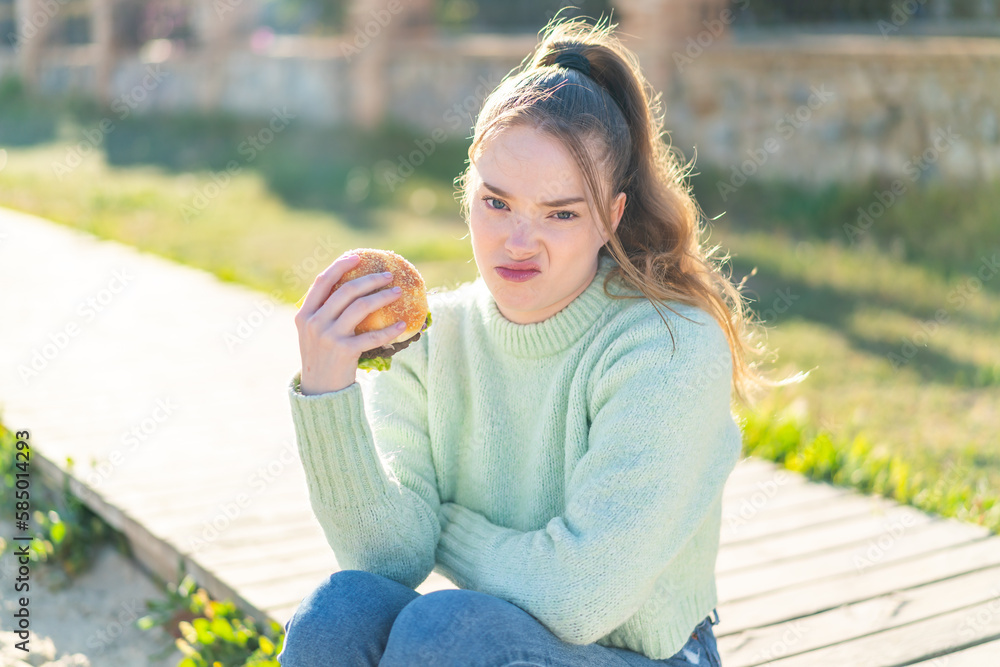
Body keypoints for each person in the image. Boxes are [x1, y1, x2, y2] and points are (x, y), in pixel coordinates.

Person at [280, 14, 792, 667]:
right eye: (497, 202)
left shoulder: (669, 344)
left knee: (448, 631)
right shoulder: (431, 340)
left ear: (611, 216)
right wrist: (330, 393)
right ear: (468, 188)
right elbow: (390, 560)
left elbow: (579, 595)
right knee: (339, 611)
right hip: (494, 640)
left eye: (561, 213)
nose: (519, 243)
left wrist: (450, 527)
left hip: (649, 656)